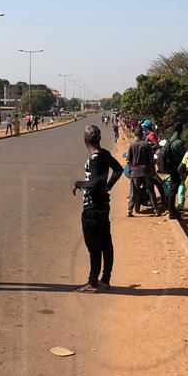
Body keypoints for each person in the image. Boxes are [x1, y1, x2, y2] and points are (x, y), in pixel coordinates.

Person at [73, 125, 123, 292]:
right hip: (102, 205)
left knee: (94, 246)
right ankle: (105, 279)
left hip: (92, 207)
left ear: (85, 140)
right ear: (99, 139)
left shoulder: (94, 159)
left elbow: (93, 183)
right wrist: (107, 187)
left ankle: (92, 282)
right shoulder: (105, 154)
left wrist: (80, 184)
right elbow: (118, 170)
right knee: (106, 243)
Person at [127, 127, 161, 216]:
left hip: (135, 172)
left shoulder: (132, 145)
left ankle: (129, 210)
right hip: (146, 171)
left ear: (135, 134)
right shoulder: (147, 145)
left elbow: (128, 160)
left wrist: (132, 168)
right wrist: (153, 171)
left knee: (133, 192)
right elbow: (151, 160)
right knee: (151, 191)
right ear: (142, 134)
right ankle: (156, 210)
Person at [165, 122, 187, 220]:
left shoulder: (170, 139)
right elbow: (184, 157)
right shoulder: (178, 142)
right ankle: (172, 212)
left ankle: (172, 210)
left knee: (172, 190)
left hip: (171, 167)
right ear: (181, 129)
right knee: (173, 190)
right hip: (176, 168)